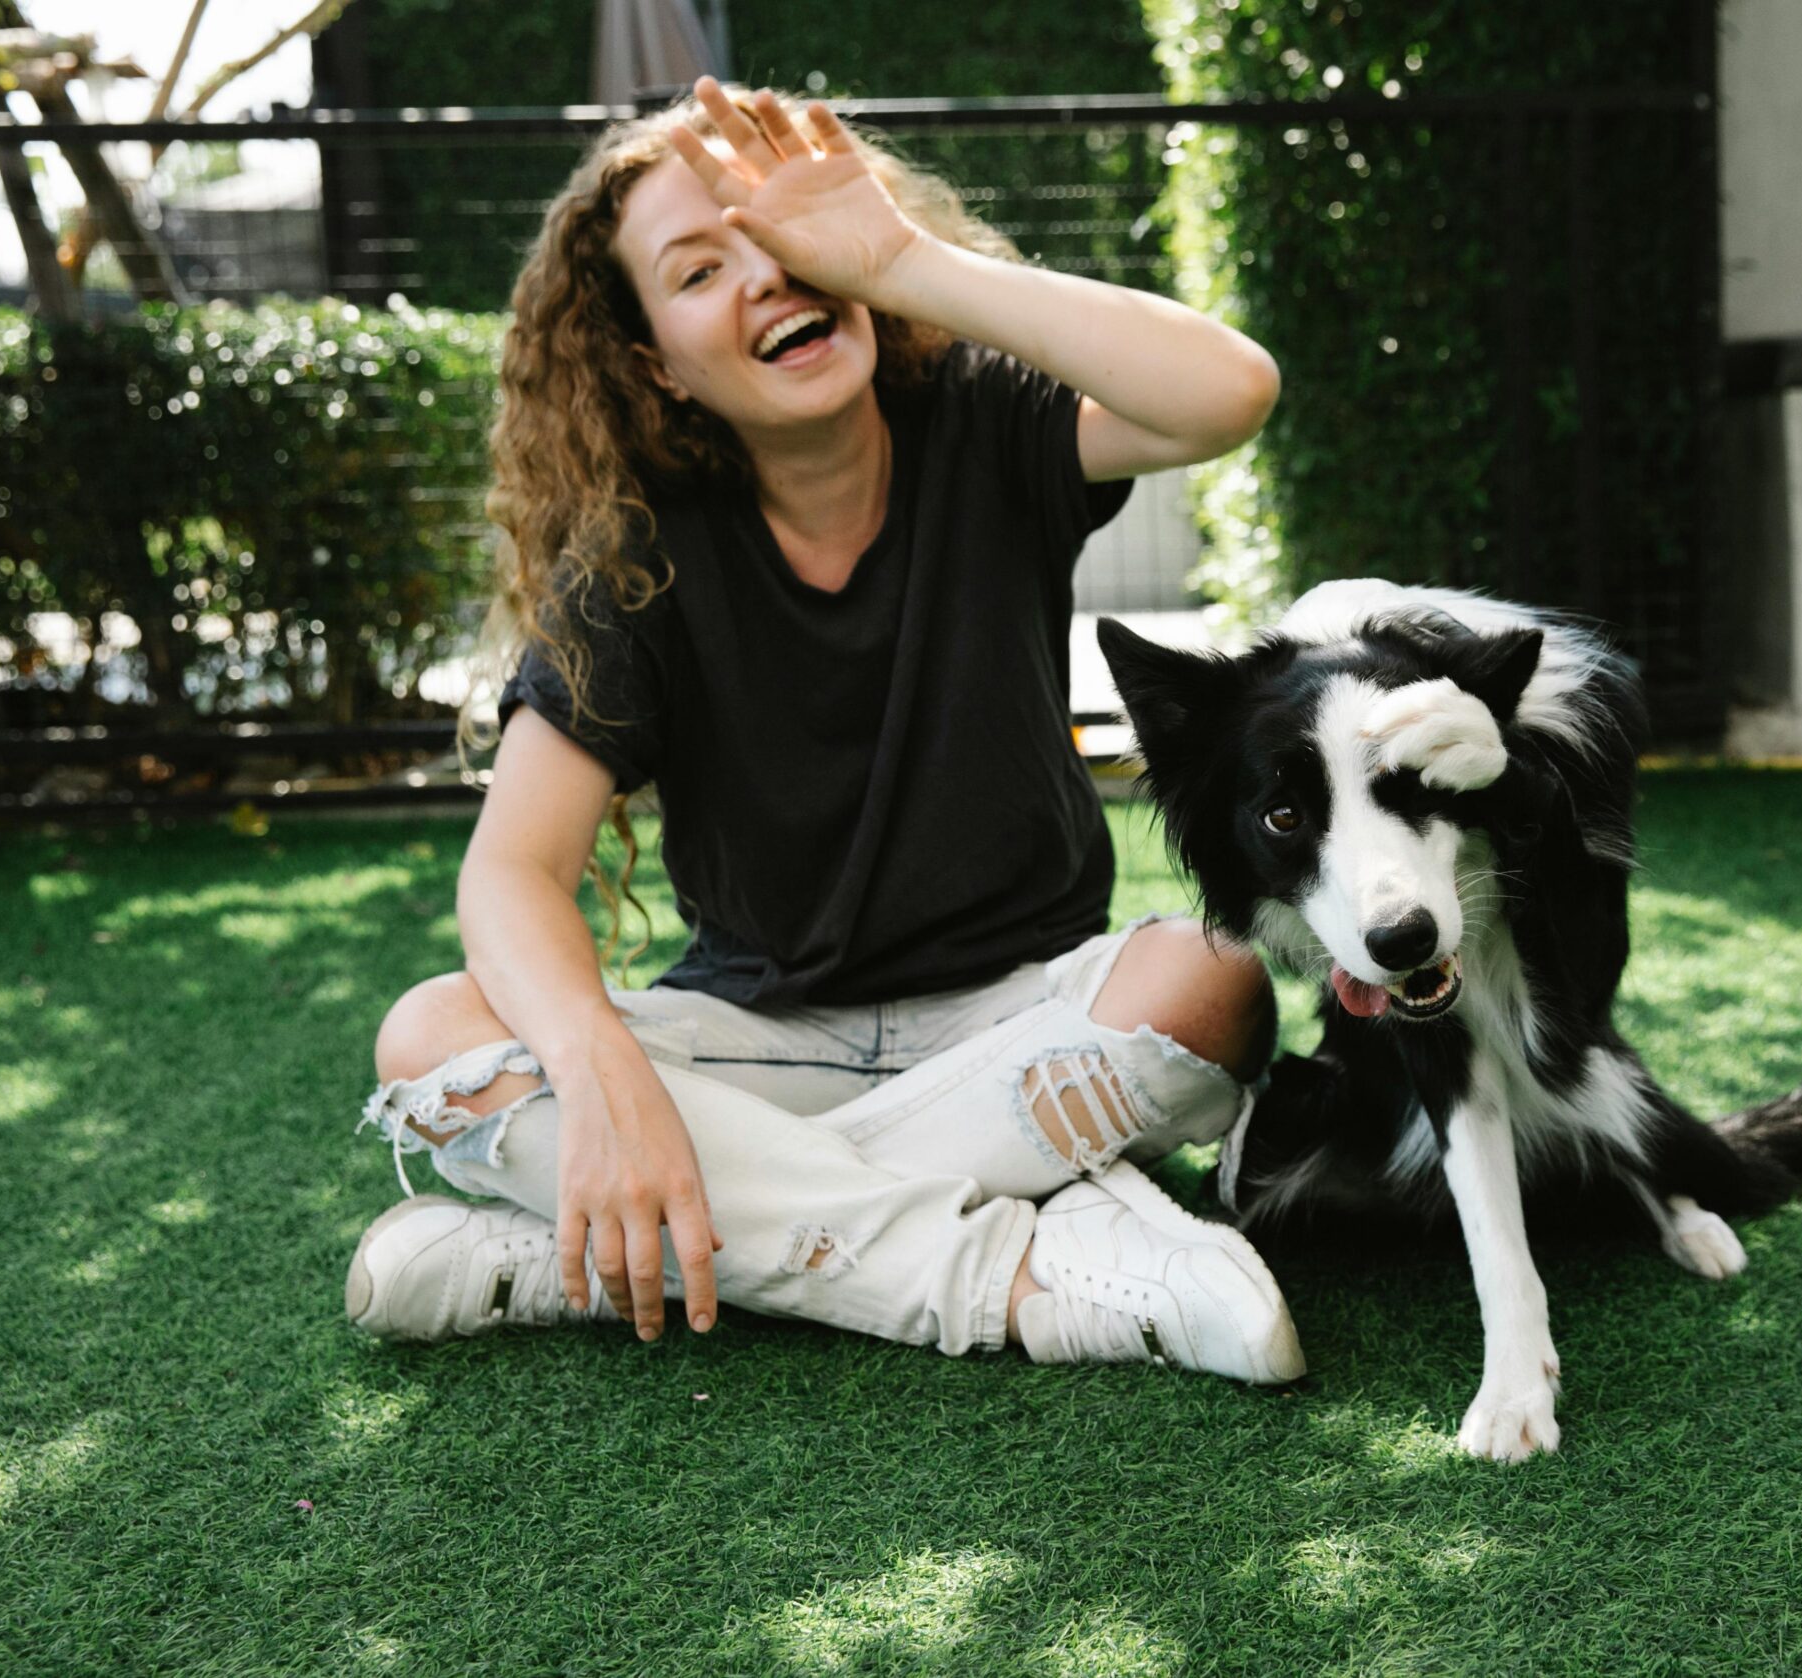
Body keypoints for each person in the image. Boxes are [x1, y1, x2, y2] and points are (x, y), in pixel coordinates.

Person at [343, 80, 1303, 1383]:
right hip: (762, 1039)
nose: (766, 277)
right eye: (699, 270)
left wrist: (903, 263)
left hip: (1021, 1017)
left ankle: (606, 1257)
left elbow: (1228, 392)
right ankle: (1010, 1275)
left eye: (782, 236)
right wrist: (602, 1070)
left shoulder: (985, 417)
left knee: (1211, 981)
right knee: (432, 1037)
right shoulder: (633, 558)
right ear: (654, 363)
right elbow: (510, 871)